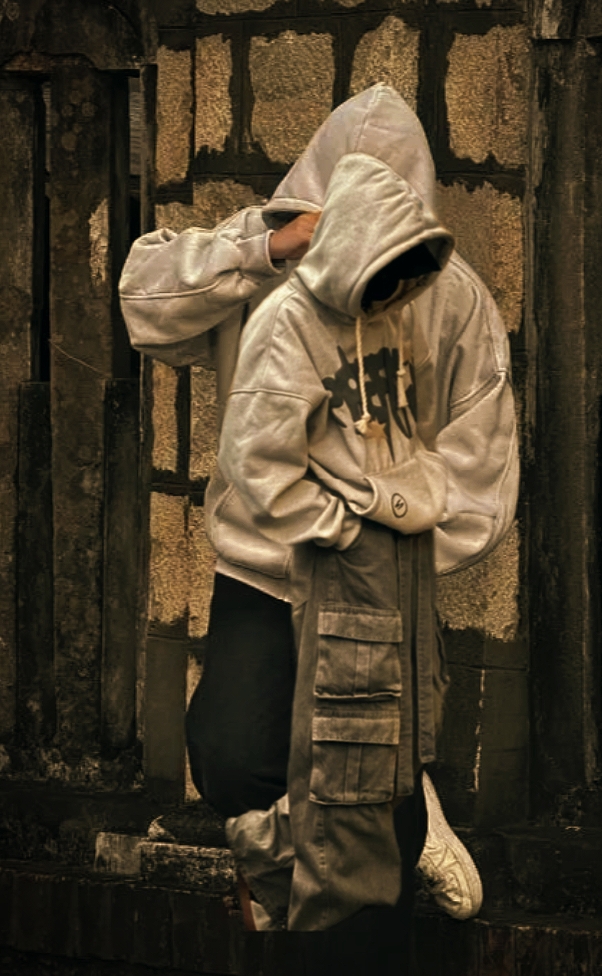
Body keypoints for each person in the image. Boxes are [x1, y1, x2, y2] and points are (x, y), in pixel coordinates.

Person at [120, 84, 518, 966]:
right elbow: (143, 304)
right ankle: (361, 835)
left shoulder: (454, 299)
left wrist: (378, 527)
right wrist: (266, 245)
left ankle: (388, 842)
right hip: (262, 569)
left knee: (369, 798)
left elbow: (482, 472)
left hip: (377, 581)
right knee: (228, 754)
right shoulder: (271, 269)